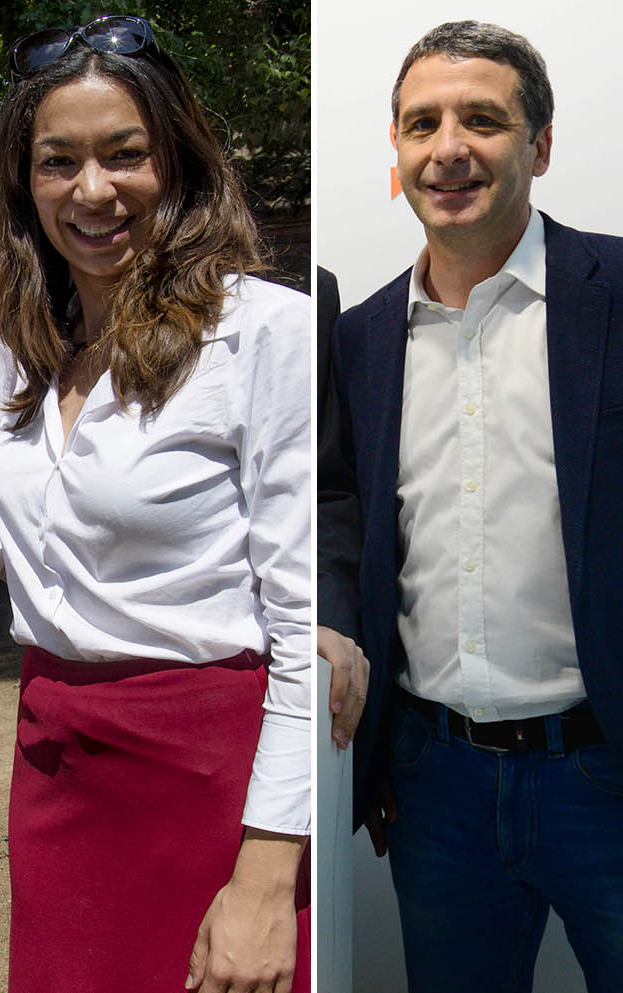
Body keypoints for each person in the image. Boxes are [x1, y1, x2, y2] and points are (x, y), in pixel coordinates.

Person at [0, 16, 312, 992]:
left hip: (213, 787)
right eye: (57, 161)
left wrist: (265, 876)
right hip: (54, 777)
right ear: (25, 184)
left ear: (180, 166)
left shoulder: (266, 336)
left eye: (125, 155)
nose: (93, 189)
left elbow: (299, 619)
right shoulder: (12, 349)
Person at [329, 21, 623, 991]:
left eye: (481, 120)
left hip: (603, 770)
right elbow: (343, 519)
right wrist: (329, 628)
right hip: (433, 782)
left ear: (538, 146)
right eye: (422, 123)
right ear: (398, 151)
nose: (447, 147)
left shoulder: (614, 293)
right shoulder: (362, 338)